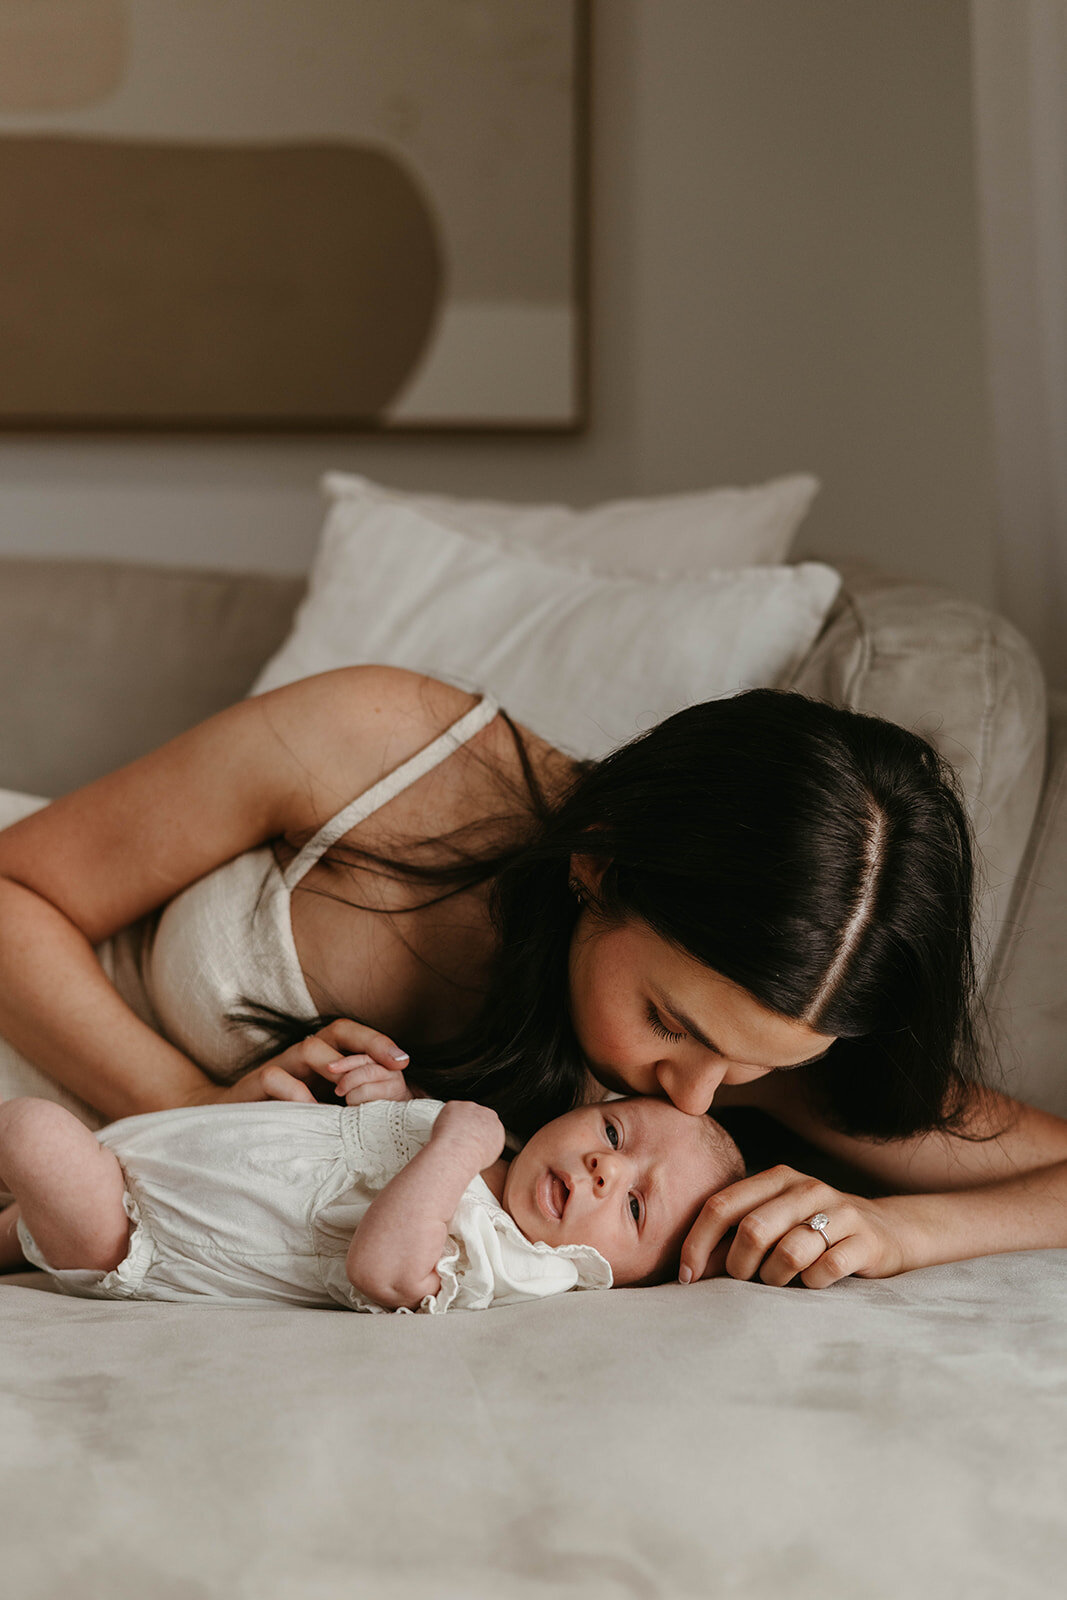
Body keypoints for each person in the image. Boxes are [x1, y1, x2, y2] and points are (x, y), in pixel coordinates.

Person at [0, 668, 1065, 1291]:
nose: (688, 1093)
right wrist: (195, 1109)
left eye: (750, 1067)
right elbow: (12, 894)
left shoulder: (738, 1051)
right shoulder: (375, 747)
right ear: (593, 860)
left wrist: (902, 1230)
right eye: (666, 1020)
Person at [0, 1093, 744, 1309]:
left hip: (143, 1236)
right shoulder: (490, 1143)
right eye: (613, 1130)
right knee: (26, 1199)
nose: (604, 1167)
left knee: (29, 1133)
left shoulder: (511, 1262)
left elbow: (383, 1270)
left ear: (623, 1274)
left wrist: (451, 1148)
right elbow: (378, 1148)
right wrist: (388, 1103)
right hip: (155, 1158)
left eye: (636, 1207)